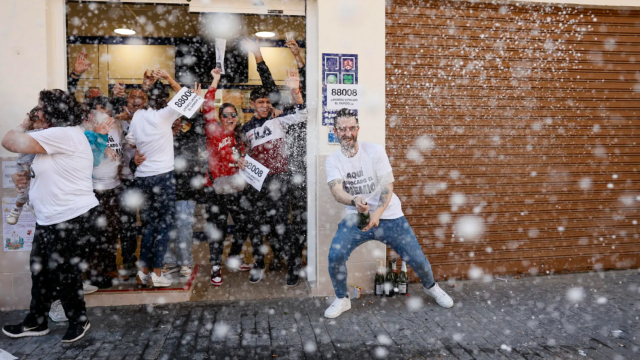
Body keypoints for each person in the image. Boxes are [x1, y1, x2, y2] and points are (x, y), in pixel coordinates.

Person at [323, 108, 454, 319]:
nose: (347, 133)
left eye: (351, 128)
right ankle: (342, 299)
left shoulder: (375, 151)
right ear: (335, 131)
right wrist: (355, 200)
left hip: (390, 215)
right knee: (335, 255)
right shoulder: (333, 160)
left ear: (358, 129)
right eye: (342, 129)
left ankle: (431, 287)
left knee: (417, 259)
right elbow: (337, 191)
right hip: (357, 216)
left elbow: (388, 185)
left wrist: (377, 214)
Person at [1, 89, 100, 343]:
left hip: (71, 218)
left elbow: (9, 142)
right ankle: (37, 321)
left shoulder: (62, 134)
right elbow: (51, 173)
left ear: (53, 112)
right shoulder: (56, 137)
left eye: (40, 108)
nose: (37, 113)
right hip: (50, 218)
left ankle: (79, 321)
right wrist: (24, 178)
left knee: (66, 272)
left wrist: (24, 122)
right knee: (41, 271)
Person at [242, 38, 308, 272]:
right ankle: (282, 258)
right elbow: (267, 81)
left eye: (297, 87)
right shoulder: (276, 112)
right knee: (276, 220)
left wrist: (298, 58)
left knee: (299, 220)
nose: (292, 90)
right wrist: (258, 55)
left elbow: (303, 96)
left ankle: (296, 261)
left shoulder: (299, 107)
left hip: (300, 169)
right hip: (279, 172)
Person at [125, 70, 183, 288]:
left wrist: (141, 148)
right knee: (163, 227)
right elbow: (188, 97)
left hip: (142, 178)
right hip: (162, 178)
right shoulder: (165, 115)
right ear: (165, 101)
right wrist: (169, 78)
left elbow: (131, 139)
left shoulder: (138, 115)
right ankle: (157, 273)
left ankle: (143, 272)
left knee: (149, 225)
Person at [202, 68, 253, 286]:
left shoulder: (240, 138)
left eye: (233, 115)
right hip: (215, 190)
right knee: (218, 230)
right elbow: (206, 107)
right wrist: (214, 80)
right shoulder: (214, 131)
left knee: (244, 223)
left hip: (235, 189)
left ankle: (233, 258)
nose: (230, 118)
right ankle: (215, 267)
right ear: (220, 118)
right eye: (226, 115)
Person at [160, 110, 208, 278]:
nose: (174, 123)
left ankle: (185, 262)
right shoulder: (158, 139)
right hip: (163, 192)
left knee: (183, 229)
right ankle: (171, 262)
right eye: (170, 120)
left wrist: (191, 104)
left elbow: (199, 122)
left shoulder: (190, 138)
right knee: (166, 229)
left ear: (182, 121)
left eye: (176, 119)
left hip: (185, 192)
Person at [116, 87, 149, 277]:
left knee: (147, 222)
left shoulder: (149, 120)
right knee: (126, 223)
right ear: (127, 100)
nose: (137, 100)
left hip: (145, 179)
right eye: (133, 97)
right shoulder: (118, 121)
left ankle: (146, 262)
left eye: (141, 97)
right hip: (126, 180)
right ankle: (129, 261)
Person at [5, 107, 48, 225]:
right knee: (24, 190)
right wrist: (25, 123)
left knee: (28, 190)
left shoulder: (42, 133)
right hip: (24, 165)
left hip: (34, 166)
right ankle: (17, 208)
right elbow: (8, 140)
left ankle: (24, 206)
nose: (44, 124)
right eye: (41, 121)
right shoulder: (33, 134)